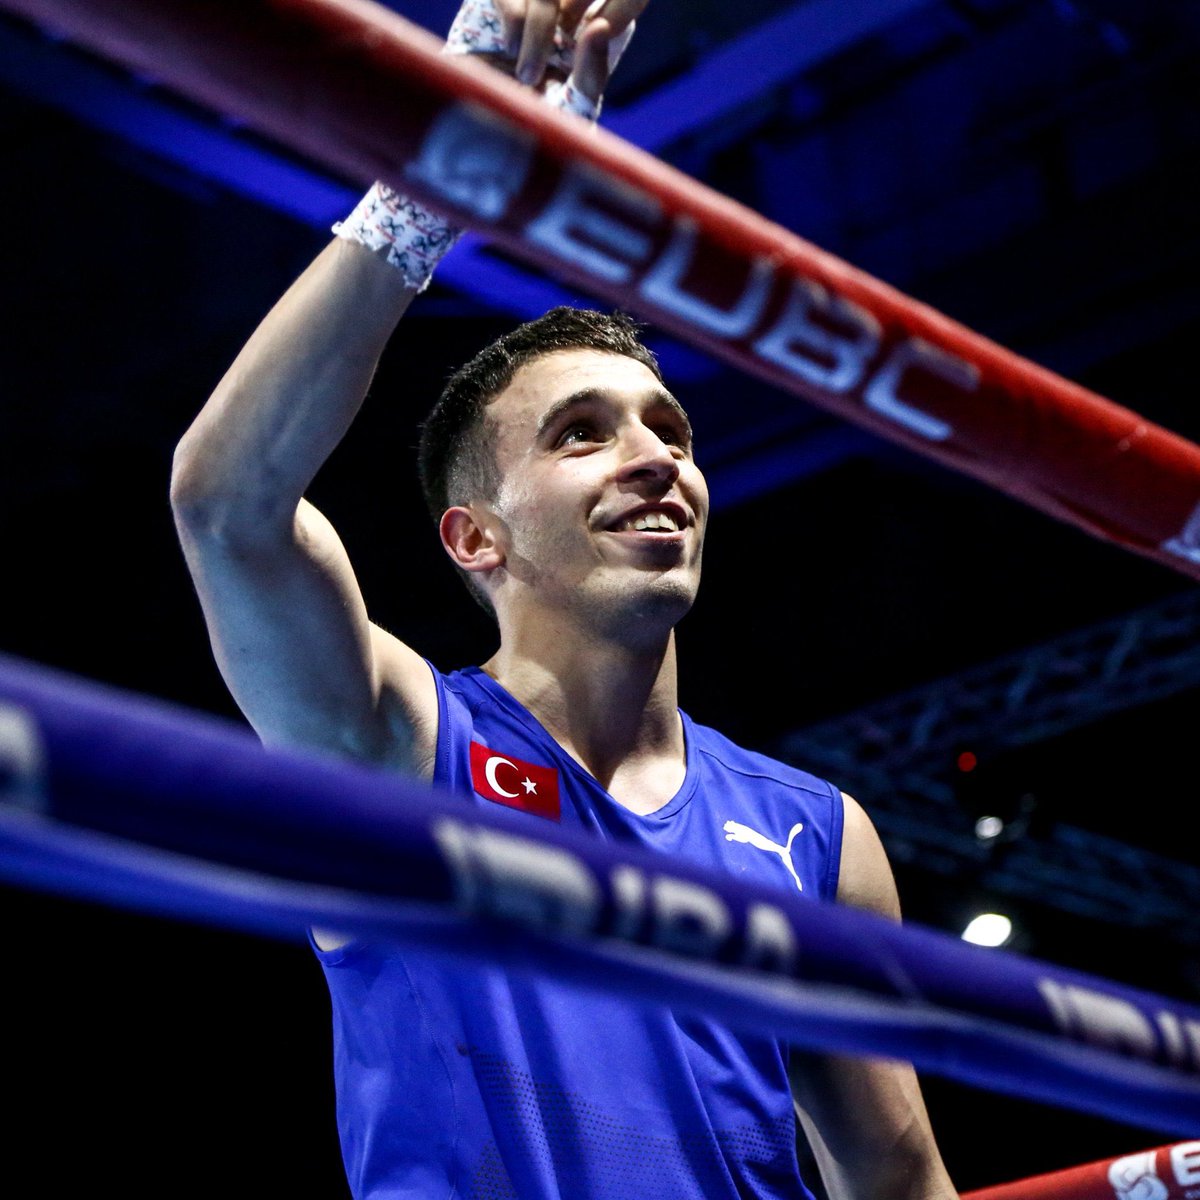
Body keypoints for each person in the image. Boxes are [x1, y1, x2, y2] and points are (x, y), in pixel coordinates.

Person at [170, 1, 959, 1197]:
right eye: (581, 435)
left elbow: (896, 1178)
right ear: (473, 536)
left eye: (672, 430)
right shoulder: (394, 746)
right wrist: (434, 181)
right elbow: (228, 501)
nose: (657, 460)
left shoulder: (817, 832)